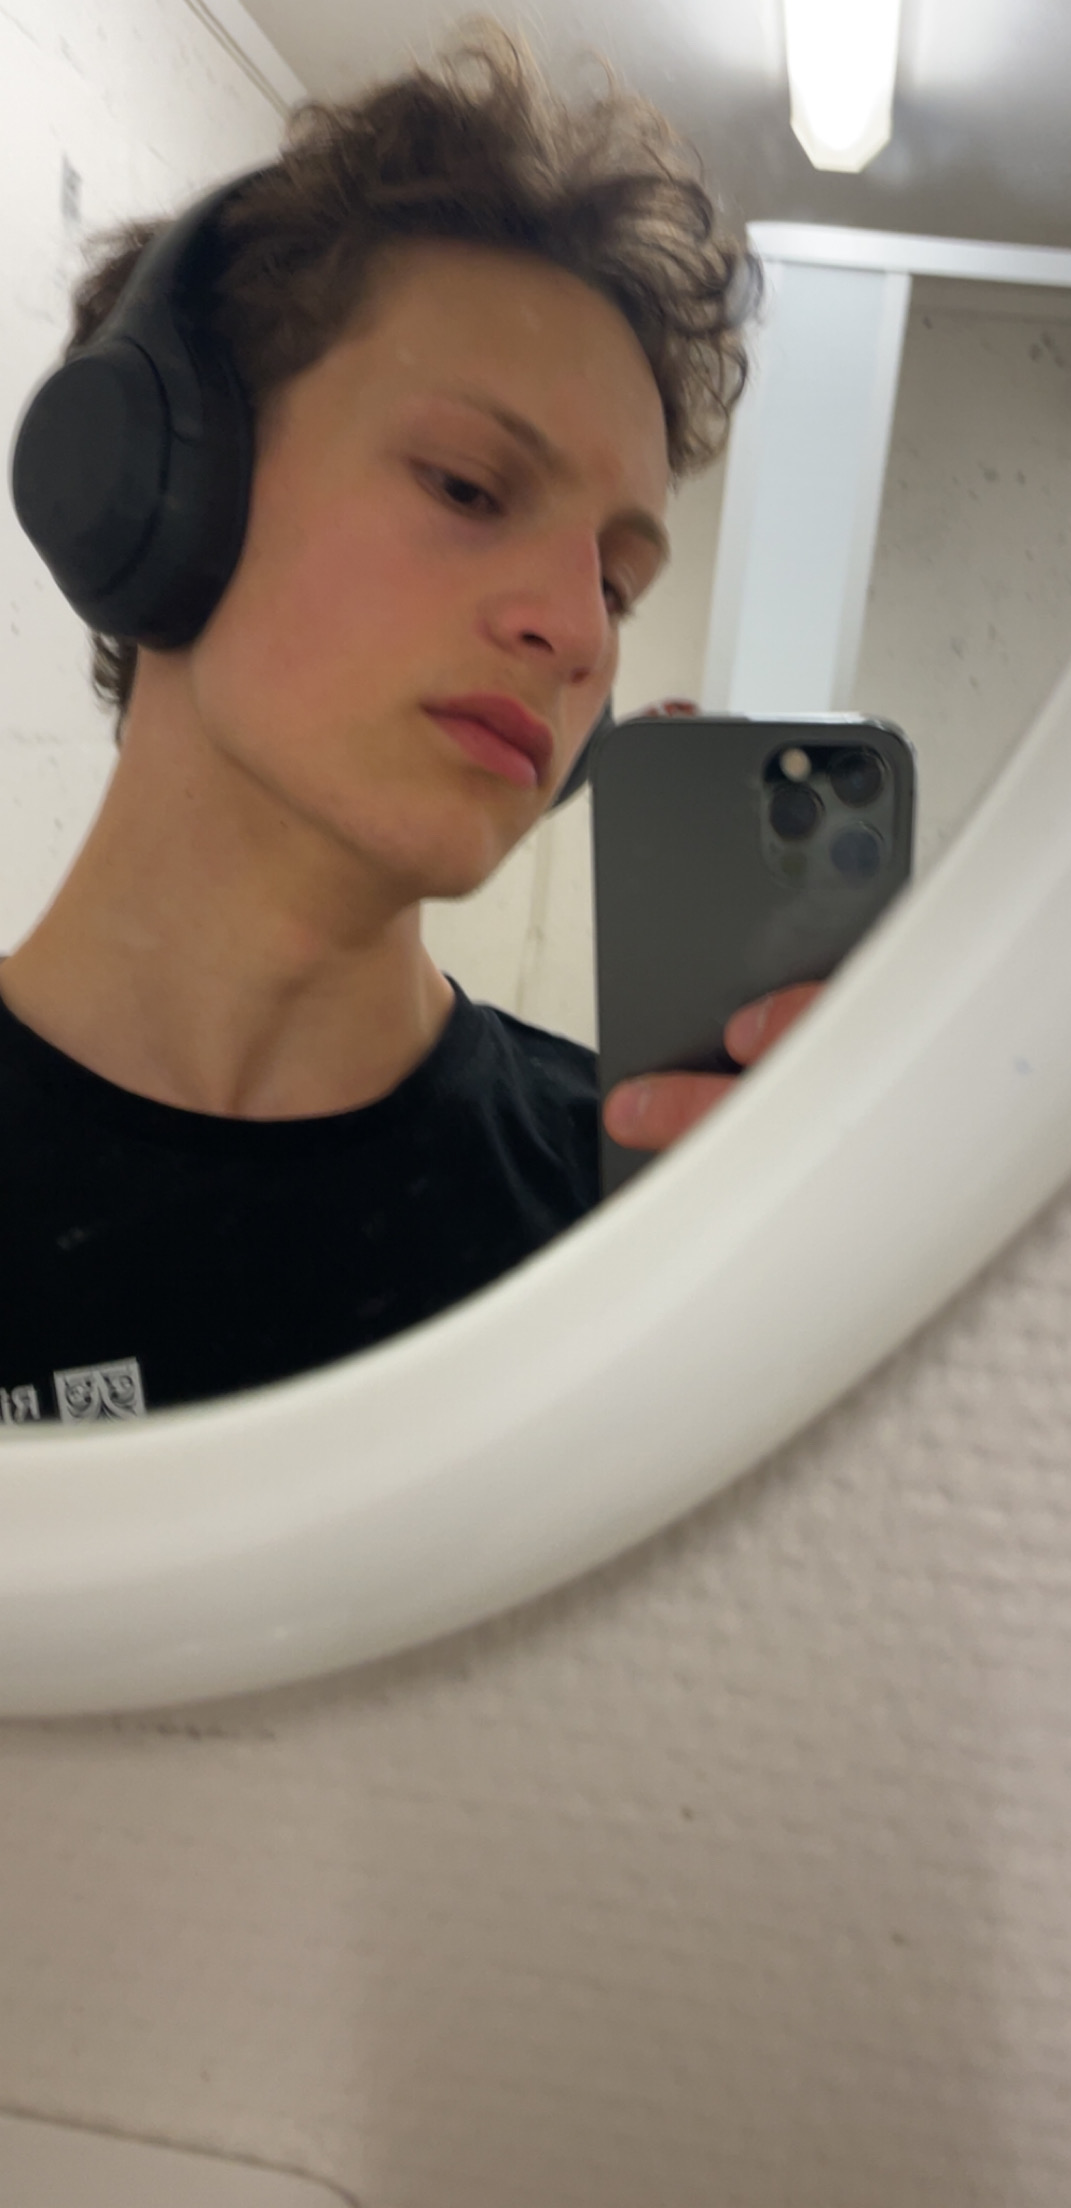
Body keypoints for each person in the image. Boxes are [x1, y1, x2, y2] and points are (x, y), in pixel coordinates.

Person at [0, 27, 813, 1425]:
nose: (577, 631)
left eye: (618, 584)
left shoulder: (636, 1216)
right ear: (155, 487)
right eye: (467, 487)